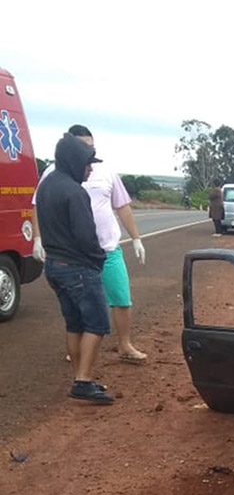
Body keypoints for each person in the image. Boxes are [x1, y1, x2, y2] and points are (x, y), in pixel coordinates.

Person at [33, 125, 148, 364]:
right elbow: (37, 205)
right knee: (80, 312)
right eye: (84, 147)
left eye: (92, 146)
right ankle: (80, 361)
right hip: (75, 255)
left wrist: (136, 237)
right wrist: (37, 238)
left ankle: (124, 345)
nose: (89, 153)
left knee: (121, 298)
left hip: (107, 249)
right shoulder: (53, 174)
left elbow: (122, 206)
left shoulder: (105, 171)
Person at [35, 133, 114, 403]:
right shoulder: (74, 191)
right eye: (87, 163)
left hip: (54, 266)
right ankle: (83, 381)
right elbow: (86, 236)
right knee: (97, 324)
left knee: (74, 324)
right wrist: (98, 258)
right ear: (74, 161)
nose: (90, 168)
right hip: (78, 268)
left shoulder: (46, 186)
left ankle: (81, 377)